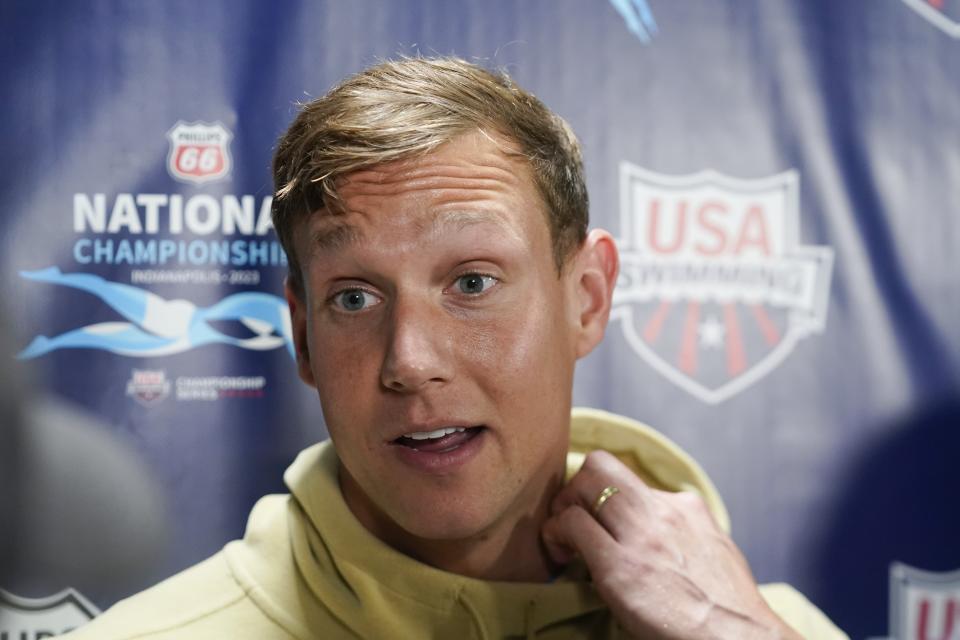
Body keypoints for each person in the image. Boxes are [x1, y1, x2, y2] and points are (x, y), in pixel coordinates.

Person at [60, 56, 846, 639]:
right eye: (355, 298)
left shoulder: (769, 630)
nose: (409, 360)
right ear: (302, 335)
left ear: (588, 298)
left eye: (472, 283)